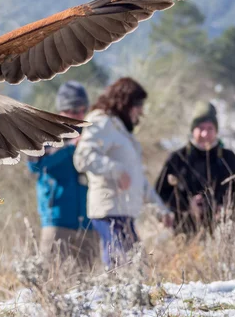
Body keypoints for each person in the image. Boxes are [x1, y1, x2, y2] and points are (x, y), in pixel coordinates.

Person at [73, 77, 172, 267]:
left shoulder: (120, 130)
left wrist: (160, 210)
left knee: (136, 267)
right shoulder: (101, 122)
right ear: (125, 103)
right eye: (138, 105)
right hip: (109, 211)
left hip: (124, 213)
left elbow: (137, 178)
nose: (141, 111)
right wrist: (115, 170)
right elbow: (82, 157)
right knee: (123, 268)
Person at [155, 101, 235, 236]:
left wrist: (225, 208)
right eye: (200, 128)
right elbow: (160, 195)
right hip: (185, 236)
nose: (205, 134)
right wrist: (187, 206)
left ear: (216, 130)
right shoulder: (178, 159)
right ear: (192, 130)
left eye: (210, 128)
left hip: (224, 238)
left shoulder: (229, 159)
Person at [28, 81, 97, 267]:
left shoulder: (91, 133)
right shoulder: (46, 134)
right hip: (56, 219)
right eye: (73, 111)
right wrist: (69, 148)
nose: (79, 116)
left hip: (88, 221)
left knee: (88, 284)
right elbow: (35, 167)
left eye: (83, 110)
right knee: (50, 279)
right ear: (61, 110)